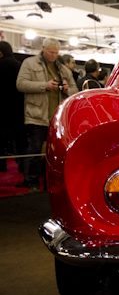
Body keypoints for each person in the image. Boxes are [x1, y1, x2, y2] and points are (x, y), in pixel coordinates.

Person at [16, 37, 78, 192]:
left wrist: (66, 89)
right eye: (51, 52)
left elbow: (74, 90)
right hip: (37, 115)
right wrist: (44, 86)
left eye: (56, 53)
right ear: (43, 48)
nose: (53, 55)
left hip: (56, 117)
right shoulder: (29, 63)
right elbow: (20, 84)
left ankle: (48, 182)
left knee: (54, 152)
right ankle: (31, 182)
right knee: (34, 150)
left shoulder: (62, 68)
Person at [0, 41, 25, 173]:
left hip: (3, 109)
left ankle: (1, 165)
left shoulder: (1, 65)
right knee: (20, 140)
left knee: (2, 139)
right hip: (19, 108)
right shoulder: (19, 65)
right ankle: (22, 166)